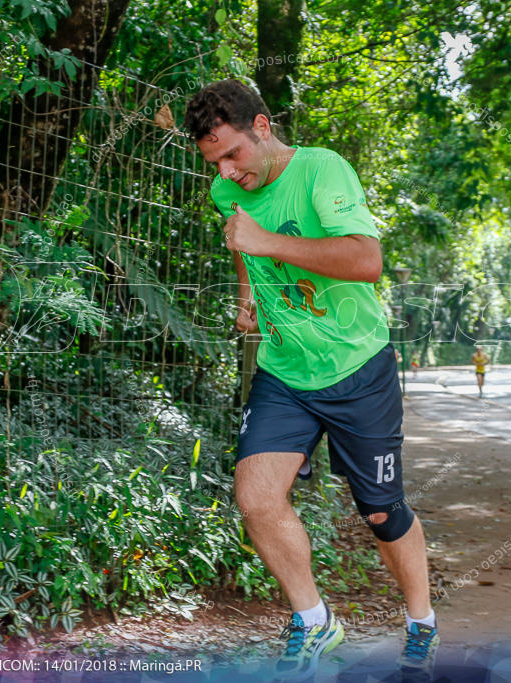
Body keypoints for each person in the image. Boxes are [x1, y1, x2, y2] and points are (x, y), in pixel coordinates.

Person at [185, 80, 437, 681]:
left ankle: (422, 622)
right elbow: (244, 247)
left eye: (232, 153)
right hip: (285, 370)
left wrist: (267, 241)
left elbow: (365, 260)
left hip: (357, 369)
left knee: (380, 512)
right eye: (213, 161)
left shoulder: (322, 170)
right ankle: (314, 619)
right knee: (256, 494)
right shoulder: (228, 189)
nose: (224, 171)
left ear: (263, 127)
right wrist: (247, 295)